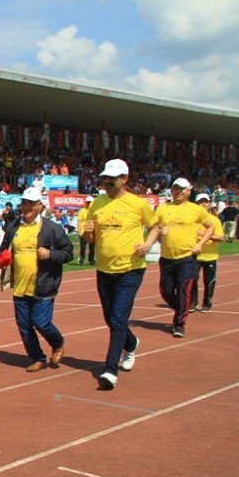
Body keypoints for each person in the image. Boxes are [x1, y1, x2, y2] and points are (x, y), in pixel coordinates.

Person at [83, 158, 160, 390]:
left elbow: (155, 226)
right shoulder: (96, 204)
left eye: (112, 179)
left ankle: (109, 369)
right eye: (105, 178)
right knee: (111, 318)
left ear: (124, 179)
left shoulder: (137, 204)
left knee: (117, 318)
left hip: (130, 270)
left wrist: (146, 245)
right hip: (104, 270)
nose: (107, 182)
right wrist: (87, 234)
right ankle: (131, 342)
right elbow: (91, 237)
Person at [0, 187, 73, 372]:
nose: (27, 206)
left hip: (44, 285)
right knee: (24, 325)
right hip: (20, 286)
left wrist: (50, 254)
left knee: (41, 322)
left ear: (40, 206)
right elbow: (4, 247)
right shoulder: (14, 226)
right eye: (24, 203)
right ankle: (37, 357)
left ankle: (58, 342)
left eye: (31, 203)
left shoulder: (52, 228)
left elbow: (68, 253)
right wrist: (3, 256)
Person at [155, 178, 214, 337]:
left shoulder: (196, 209)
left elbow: (211, 227)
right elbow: (153, 228)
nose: (178, 192)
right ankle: (183, 307)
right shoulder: (162, 209)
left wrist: (200, 243)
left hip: (187, 257)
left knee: (183, 289)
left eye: (182, 189)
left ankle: (179, 323)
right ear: (171, 191)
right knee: (166, 291)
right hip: (167, 257)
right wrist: (160, 231)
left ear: (188, 191)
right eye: (175, 189)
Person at [190, 192, 222, 312]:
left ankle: (207, 302)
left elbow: (221, 237)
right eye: (200, 202)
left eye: (205, 201)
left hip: (210, 256)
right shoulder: (192, 219)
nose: (203, 204)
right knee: (192, 279)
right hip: (195, 255)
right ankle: (193, 302)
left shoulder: (214, 220)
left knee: (209, 281)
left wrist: (206, 235)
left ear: (209, 204)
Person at [77, 195, 96, 264]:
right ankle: (81, 260)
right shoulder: (82, 211)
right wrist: (78, 231)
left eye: (90, 202)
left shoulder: (94, 211)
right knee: (82, 247)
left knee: (92, 248)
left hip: (92, 231)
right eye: (88, 202)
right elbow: (79, 221)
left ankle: (91, 260)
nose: (89, 203)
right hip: (83, 231)